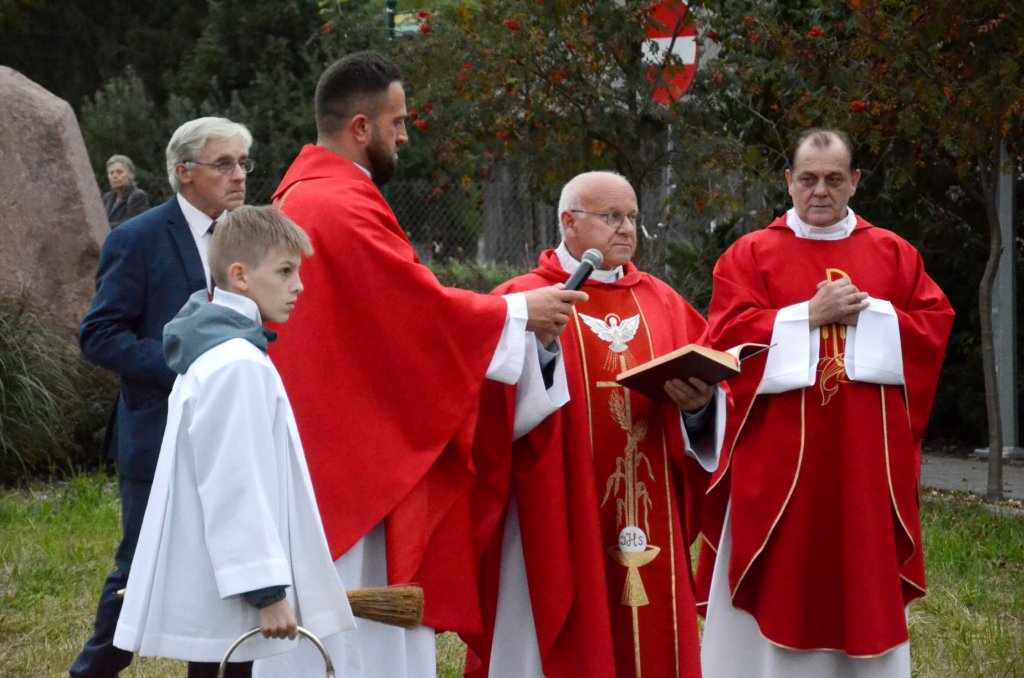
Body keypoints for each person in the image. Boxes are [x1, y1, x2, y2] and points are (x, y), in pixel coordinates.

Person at [251, 51, 586, 678]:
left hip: (331, 438)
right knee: (361, 646)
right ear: (360, 128)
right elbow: (416, 312)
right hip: (355, 460)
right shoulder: (340, 206)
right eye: (398, 122)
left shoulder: (305, 195)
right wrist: (517, 312)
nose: (404, 135)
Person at [696, 128, 955, 677]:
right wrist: (805, 317)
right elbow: (724, 344)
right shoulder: (750, 255)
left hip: (864, 464)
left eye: (834, 179)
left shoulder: (892, 253)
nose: (820, 191)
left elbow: (932, 329)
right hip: (777, 464)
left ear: (855, 183)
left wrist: (873, 314)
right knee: (783, 575)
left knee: (862, 568)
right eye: (808, 179)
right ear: (788, 181)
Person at [462, 171, 724, 678]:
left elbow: (709, 395)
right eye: (611, 217)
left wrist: (698, 408)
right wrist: (537, 351)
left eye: (631, 218)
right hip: (553, 512)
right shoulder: (524, 299)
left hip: (647, 513)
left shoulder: (664, 303)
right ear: (569, 222)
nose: (626, 229)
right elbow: (485, 412)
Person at [113, 205, 355, 678]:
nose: (299, 285)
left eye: (298, 271)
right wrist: (266, 591)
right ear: (240, 276)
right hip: (232, 591)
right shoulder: (235, 363)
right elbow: (233, 484)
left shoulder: (221, 351)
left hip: (220, 582)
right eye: (285, 271)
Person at [72, 117, 253, 678]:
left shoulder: (251, 233)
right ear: (183, 172)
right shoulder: (138, 238)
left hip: (233, 434)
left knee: (232, 574)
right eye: (223, 164)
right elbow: (99, 335)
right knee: (139, 574)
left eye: (244, 162)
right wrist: (185, 365)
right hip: (159, 433)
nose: (239, 175)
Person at [102, 154, 150, 228]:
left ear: (131, 175)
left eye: (119, 172)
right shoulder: (106, 197)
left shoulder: (138, 196)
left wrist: (102, 227)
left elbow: (132, 223)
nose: (114, 176)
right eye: (111, 173)